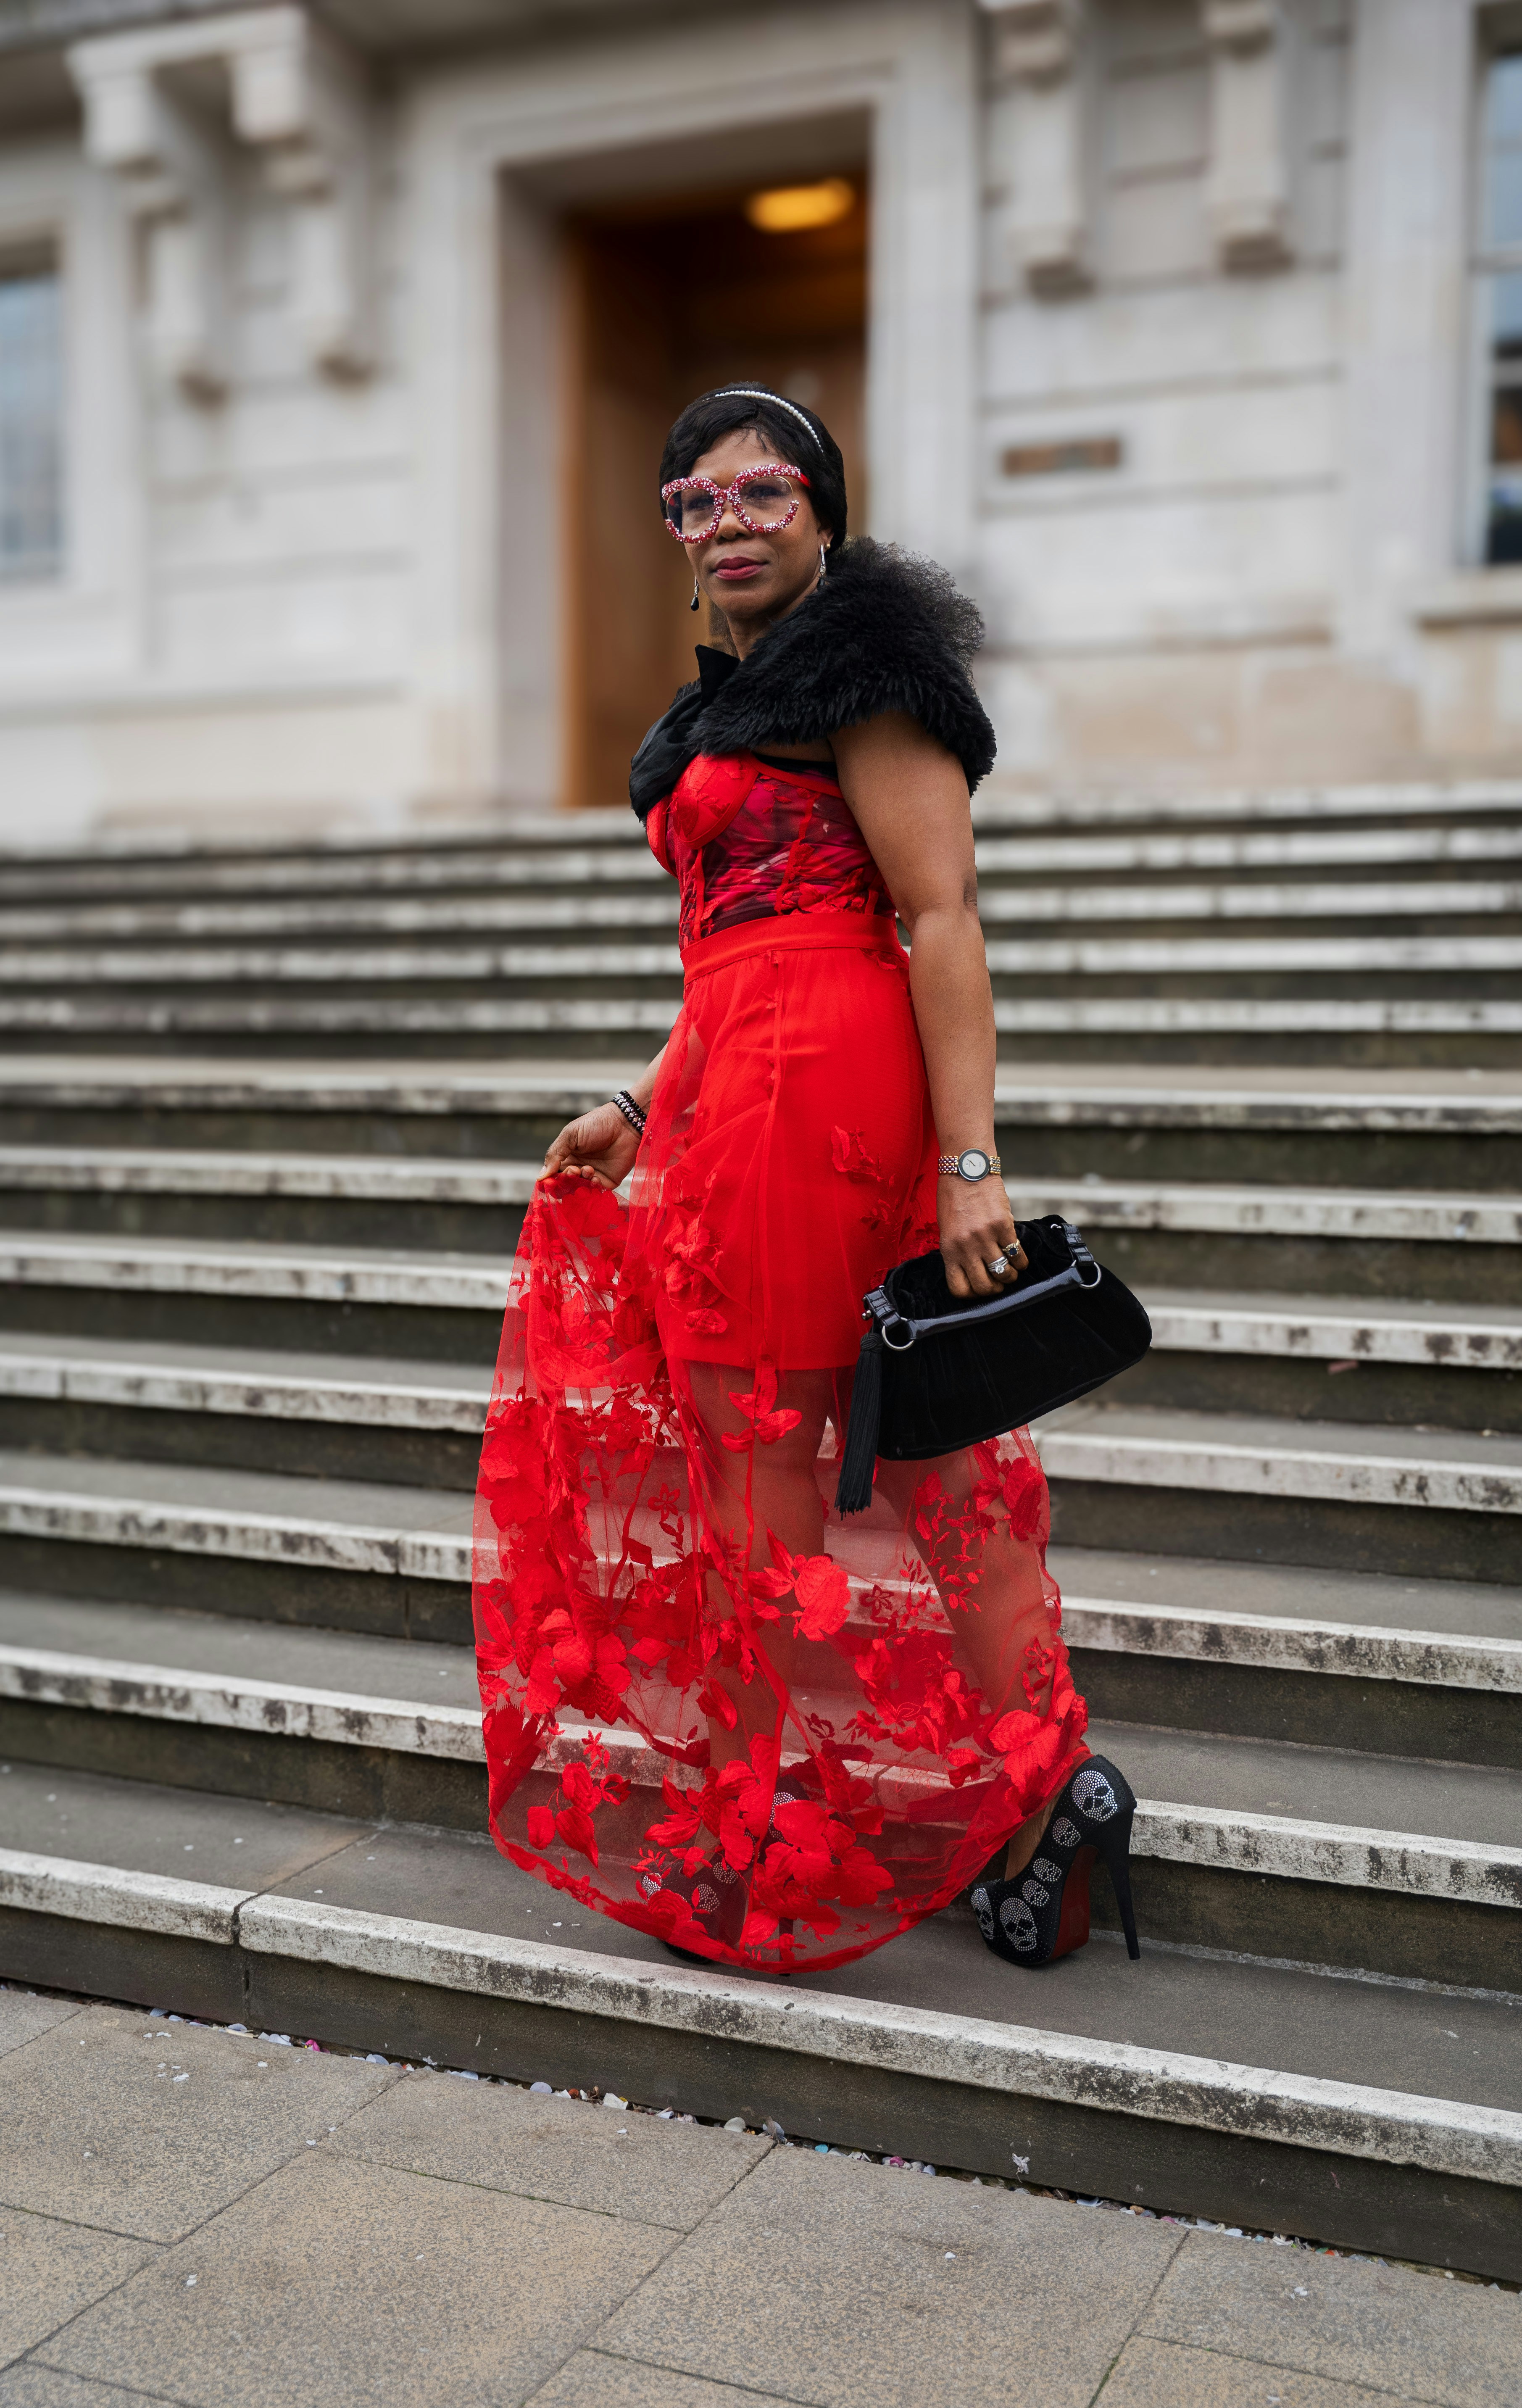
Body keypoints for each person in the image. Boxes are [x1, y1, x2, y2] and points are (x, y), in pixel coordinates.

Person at [473, 384, 1138, 1977]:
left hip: (823, 1099)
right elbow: (729, 956)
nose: (729, 523)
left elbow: (943, 920)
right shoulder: (730, 702)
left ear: (824, 510)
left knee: (788, 1480)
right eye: (693, 503)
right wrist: (645, 1098)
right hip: (732, 1098)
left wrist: (974, 1166)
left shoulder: (870, 673)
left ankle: (780, 1830)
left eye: (762, 490)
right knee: (856, 1472)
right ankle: (1047, 1788)